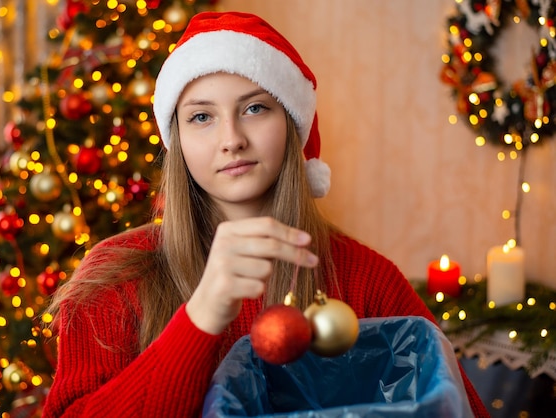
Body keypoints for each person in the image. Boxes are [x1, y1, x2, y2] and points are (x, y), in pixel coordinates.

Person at [41, 11, 490, 417]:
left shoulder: (366, 278)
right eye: (201, 117)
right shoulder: (114, 276)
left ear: (292, 125)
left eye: (255, 108)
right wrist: (201, 317)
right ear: (177, 141)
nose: (232, 138)